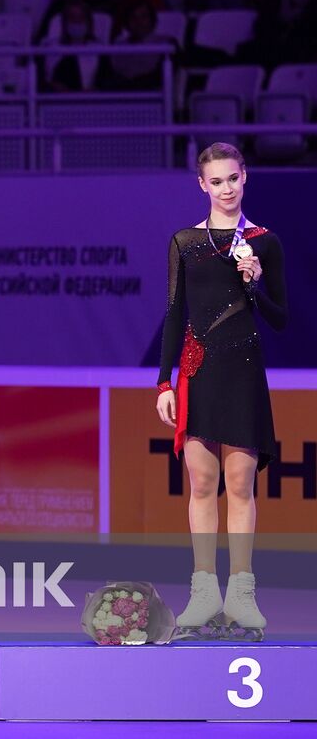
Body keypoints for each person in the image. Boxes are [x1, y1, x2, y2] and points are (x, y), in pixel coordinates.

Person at [157, 142, 287, 641]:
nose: (226, 189)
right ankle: (204, 591)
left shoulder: (264, 242)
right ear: (202, 185)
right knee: (202, 484)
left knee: (240, 486)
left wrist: (254, 282)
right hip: (199, 371)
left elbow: (281, 319)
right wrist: (163, 382)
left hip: (244, 372)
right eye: (216, 181)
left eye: (233, 179)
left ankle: (243, 595)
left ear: (245, 177)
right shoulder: (184, 242)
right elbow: (173, 314)